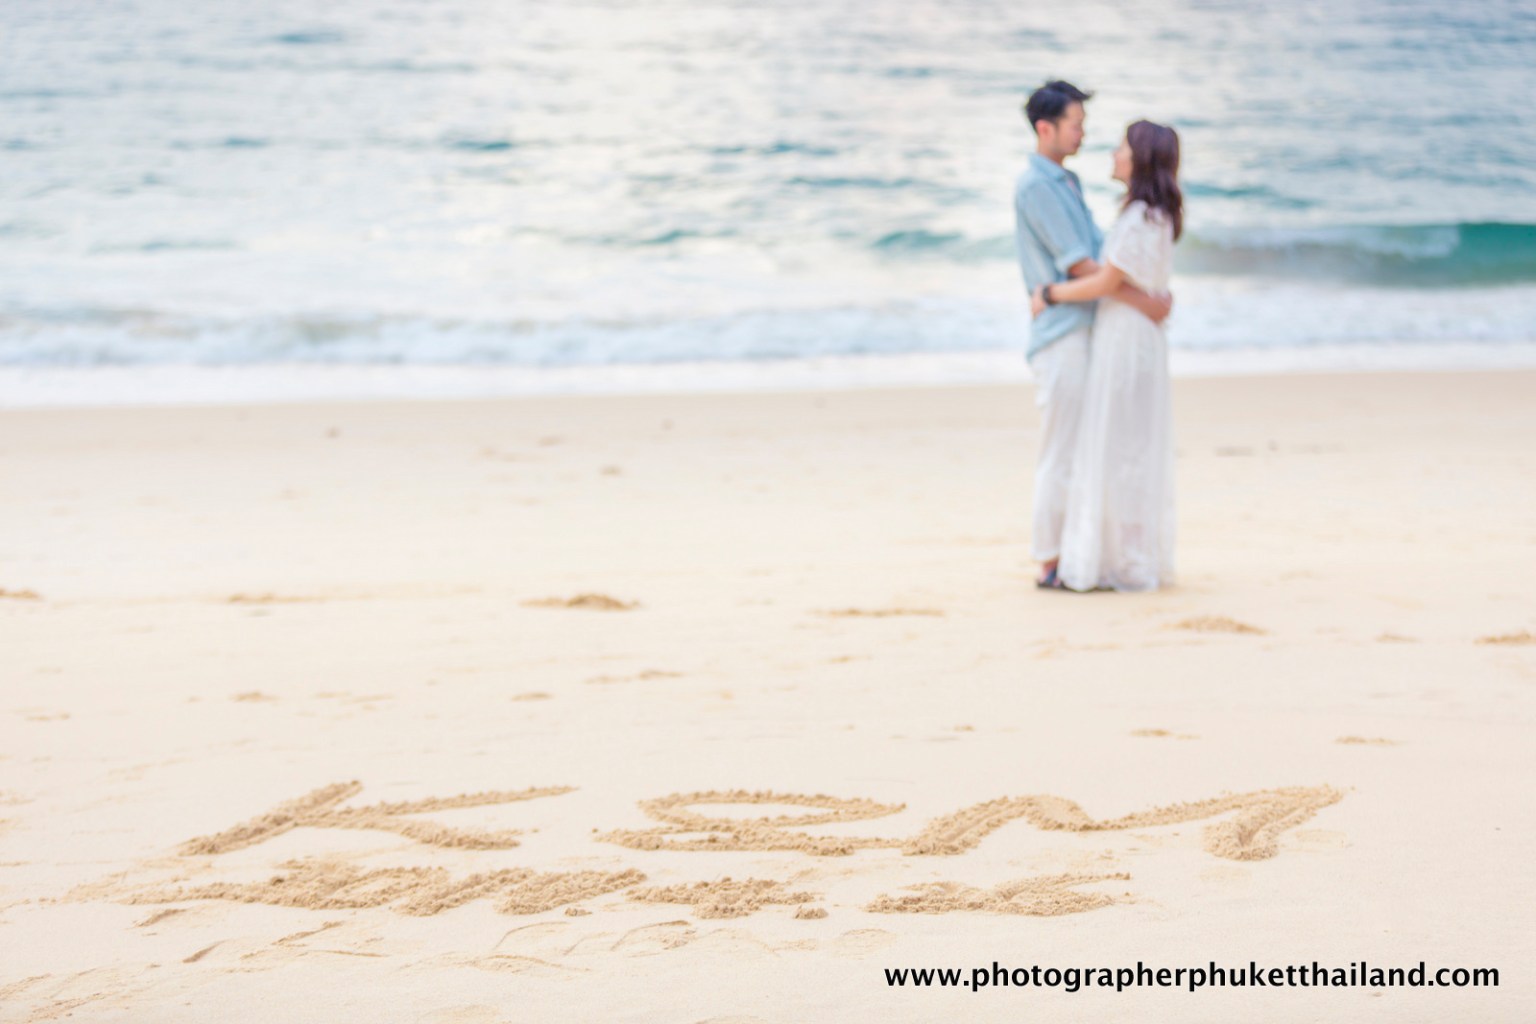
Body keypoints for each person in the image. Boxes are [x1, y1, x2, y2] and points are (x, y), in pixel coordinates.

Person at [1013, 82, 1171, 589]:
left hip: (1087, 329)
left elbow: (1104, 264)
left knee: (1084, 448)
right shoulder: (1039, 186)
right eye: (1075, 123)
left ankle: (1071, 554)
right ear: (1046, 128)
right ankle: (1049, 559)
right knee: (1063, 450)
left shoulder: (1066, 182)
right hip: (1063, 331)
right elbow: (1085, 266)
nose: (1083, 132)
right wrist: (1142, 299)